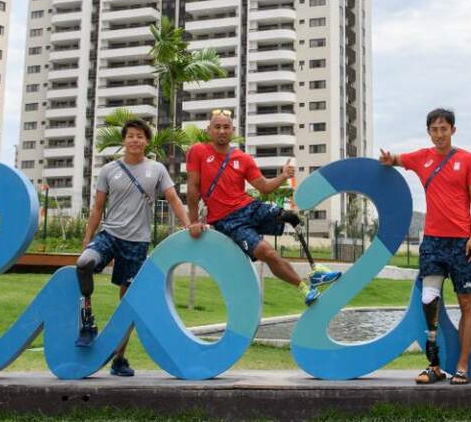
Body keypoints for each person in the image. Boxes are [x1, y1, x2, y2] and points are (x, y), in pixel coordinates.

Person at [74, 119, 195, 377]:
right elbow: (97, 208)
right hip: (110, 235)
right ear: (123, 140)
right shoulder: (108, 170)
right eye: (130, 136)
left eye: (140, 136)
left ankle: (119, 358)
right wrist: (87, 239)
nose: (135, 140)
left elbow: (173, 198)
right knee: (83, 264)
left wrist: (188, 225)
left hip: (137, 243)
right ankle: (87, 322)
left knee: (128, 301)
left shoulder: (157, 169)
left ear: (147, 141)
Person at [186, 109, 340, 306]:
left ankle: (315, 270)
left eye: (226, 127)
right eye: (217, 127)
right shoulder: (198, 151)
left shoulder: (243, 158)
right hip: (228, 221)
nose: (222, 131)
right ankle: (304, 288)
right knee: (269, 254)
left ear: (233, 130)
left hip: (250, 207)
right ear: (209, 130)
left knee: (291, 217)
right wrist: (193, 222)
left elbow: (264, 187)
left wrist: (284, 176)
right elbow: (193, 187)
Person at [379, 107, 471, 385]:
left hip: (461, 242)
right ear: (429, 132)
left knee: (466, 303)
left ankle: (462, 366)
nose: (439, 134)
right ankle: (434, 365)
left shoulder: (468, 159)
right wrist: (389, 159)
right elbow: (398, 159)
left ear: (452, 130)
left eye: (444, 128)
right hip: (433, 242)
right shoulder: (422, 158)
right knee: (429, 300)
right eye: (434, 129)